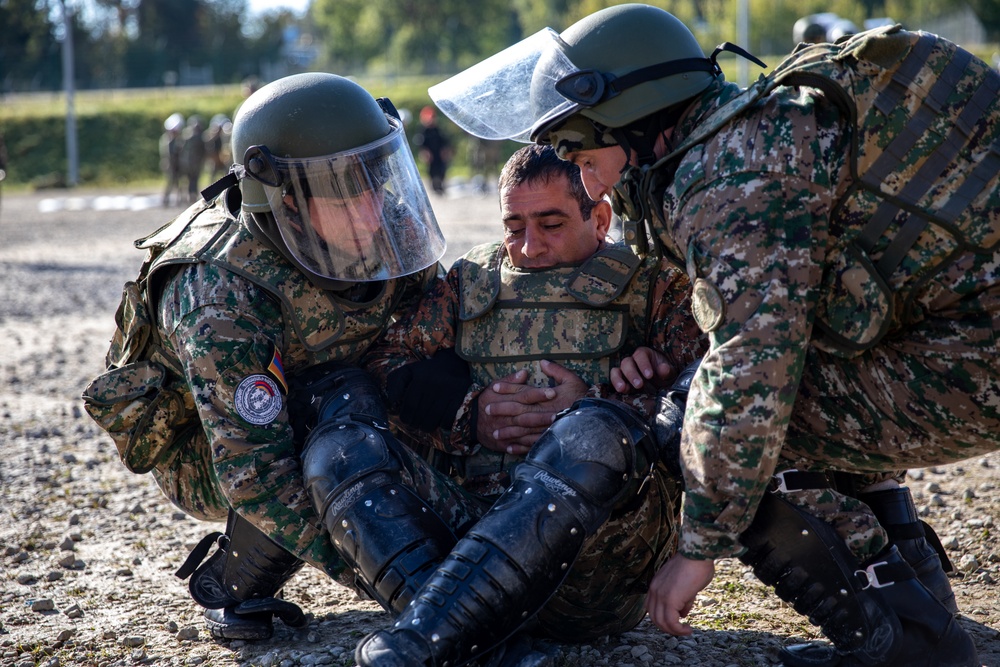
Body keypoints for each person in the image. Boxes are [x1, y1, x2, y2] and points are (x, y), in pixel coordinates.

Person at [428, 4, 1000, 667]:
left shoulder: (731, 174)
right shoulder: (744, 133)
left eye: (579, 148)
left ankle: (910, 645)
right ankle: (917, 612)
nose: (575, 167)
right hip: (964, 343)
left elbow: (749, 371)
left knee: (708, 418)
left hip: (976, 362)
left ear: (633, 120)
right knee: (749, 395)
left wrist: (697, 549)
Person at [302, 143, 705, 666]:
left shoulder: (652, 285)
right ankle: (468, 642)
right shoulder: (471, 281)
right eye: (514, 227)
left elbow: (713, 398)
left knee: (593, 433)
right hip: (459, 553)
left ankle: (425, 641)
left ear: (600, 218)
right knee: (339, 449)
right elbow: (385, 366)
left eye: (551, 224)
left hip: (595, 563)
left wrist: (612, 401)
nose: (529, 247)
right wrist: (470, 415)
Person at [82, 72, 446, 642]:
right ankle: (233, 577)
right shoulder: (217, 293)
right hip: (215, 446)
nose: (374, 207)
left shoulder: (384, 221)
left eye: (375, 176)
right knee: (328, 413)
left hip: (344, 392)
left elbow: (444, 324)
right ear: (287, 202)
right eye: (345, 188)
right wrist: (404, 576)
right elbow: (256, 476)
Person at [413, 105, 452, 195]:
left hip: (439, 153)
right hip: (431, 155)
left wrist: (446, 150)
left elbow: (445, 140)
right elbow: (420, 143)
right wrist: (424, 152)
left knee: (442, 169)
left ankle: (441, 185)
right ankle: (435, 186)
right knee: (432, 171)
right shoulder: (423, 130)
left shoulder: (438, 129)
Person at [159, 112, 185, 207]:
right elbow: (169, 154)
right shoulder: (167, 140)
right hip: (170, 164)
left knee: (179, 183)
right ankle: (165, 200)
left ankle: (180, 200)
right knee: (170, 183)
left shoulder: (176, 140)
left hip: (176, 164)